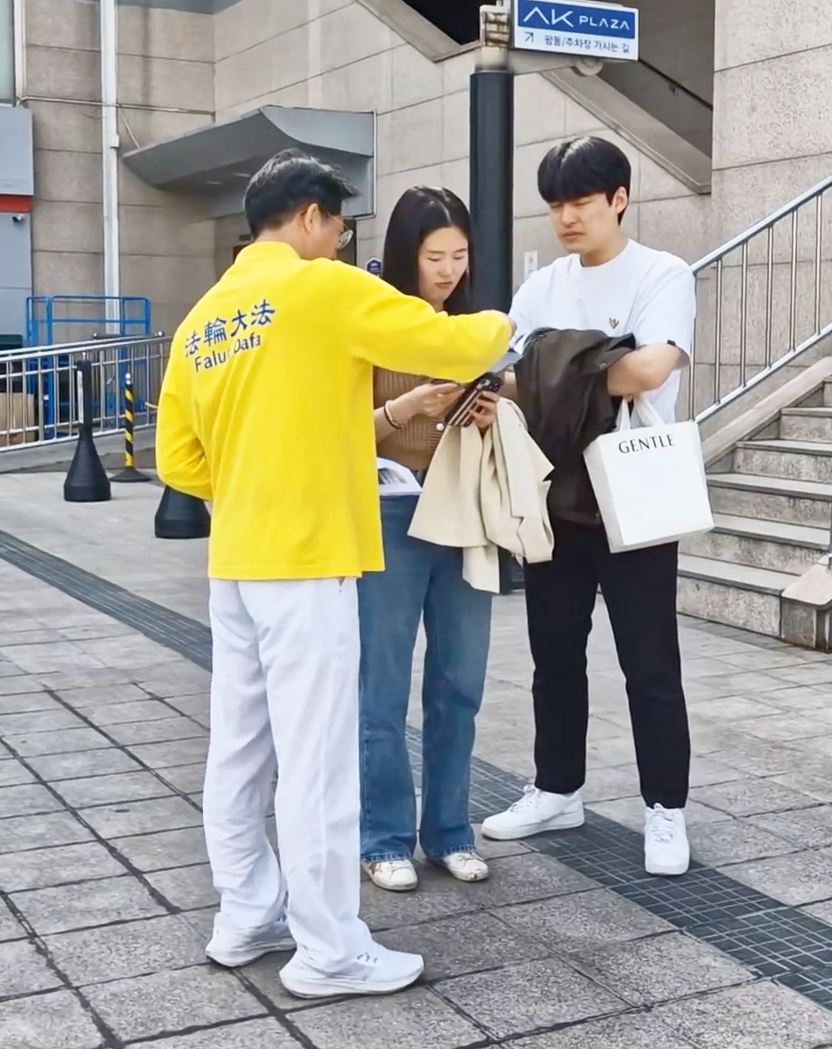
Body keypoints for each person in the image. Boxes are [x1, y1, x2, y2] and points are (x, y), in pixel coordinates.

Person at [155, 150, 513, 999]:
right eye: (341, 228)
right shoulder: (319, 287)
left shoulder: (206, 316)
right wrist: (509, 322)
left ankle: (246, 913)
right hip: (309, 557)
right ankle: (329, 948)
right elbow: (451, 339)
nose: (343, 243)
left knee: (240, 749)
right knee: (316, 759)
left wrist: (255, 482)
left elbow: (177, 459)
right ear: (312, 217)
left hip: (238, 560)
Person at [483, 137, 695, 877]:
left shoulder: (662, 273)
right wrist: (598, 358)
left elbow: (650, 368)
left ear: (619, 199)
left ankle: (665, 808)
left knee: (650, 663)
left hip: (633, 494)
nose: (567, 218)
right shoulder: (542, 286)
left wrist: (554, 364)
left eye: (581, 201)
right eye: (556, 205)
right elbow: (505, 375)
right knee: (553, 658)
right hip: (553, 492)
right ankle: (556, 789)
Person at [360, 187, 499, 894]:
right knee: (380, 687)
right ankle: (383, 837)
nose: (448, 270)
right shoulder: (369, 326)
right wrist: (404, 406)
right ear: (405, 255)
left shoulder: (470, 329)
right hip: (389, 510)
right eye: (433, 256)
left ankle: (449, 831)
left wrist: (489, 411)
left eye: (459, 256)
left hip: (463, 511)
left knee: (459, 684)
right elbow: (339, 431)